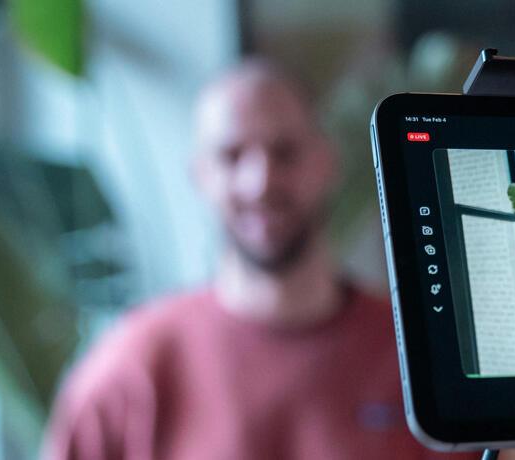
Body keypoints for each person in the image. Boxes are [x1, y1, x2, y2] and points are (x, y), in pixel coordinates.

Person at [42, 60, 476, 459]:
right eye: (232, 155)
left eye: (284, 151)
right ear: (200, 175)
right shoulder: (131, 369)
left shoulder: (420, 351)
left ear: (326, 162)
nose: (260, 181)